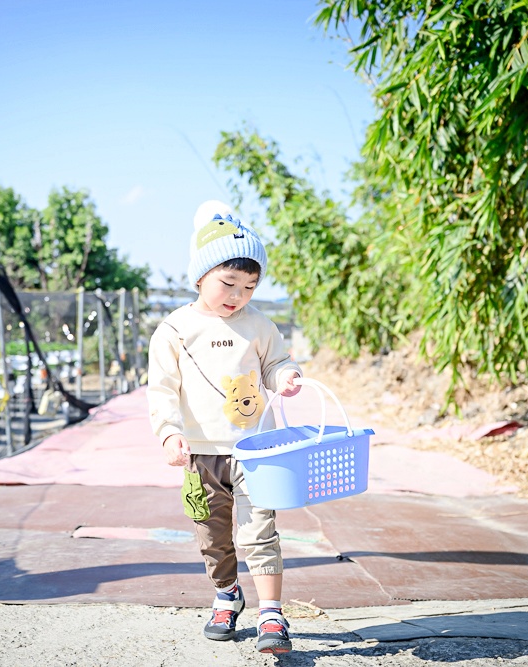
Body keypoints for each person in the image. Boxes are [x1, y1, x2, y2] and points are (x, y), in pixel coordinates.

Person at [147, 200, 302, 655]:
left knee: (260, 530)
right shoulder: (174, 330)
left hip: (255, 449)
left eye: (250, 286)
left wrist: (284, 376)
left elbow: (276, 362)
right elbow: (161, 389)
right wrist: (168, 432)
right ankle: (227, 595)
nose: (238, 294)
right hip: (199, 452)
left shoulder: (259, 324)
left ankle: (271, 614)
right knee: (212, 536)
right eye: (228, 282)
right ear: (200, 277)